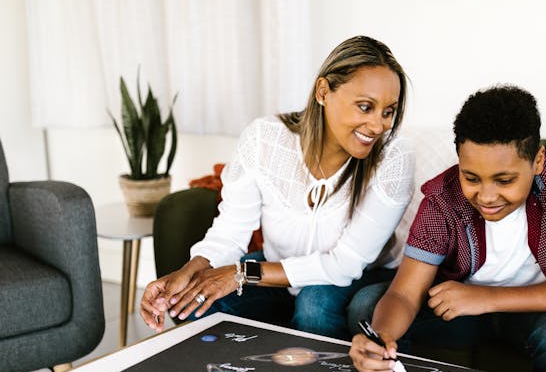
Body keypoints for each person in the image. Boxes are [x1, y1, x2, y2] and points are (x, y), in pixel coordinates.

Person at [140, 35, 414, 340]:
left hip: (358, 275)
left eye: (388, 112)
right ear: (323, 92)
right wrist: (189, 271)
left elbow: (344, 265)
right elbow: (231, 230)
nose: (378, 125)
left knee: (314, 305)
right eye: (365, 107)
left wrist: (241, 274)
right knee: (194, 299)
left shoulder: (394, 158)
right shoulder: (265, 139)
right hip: (278, 269)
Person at [348, 84, 546, 372]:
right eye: (471, 177)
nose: (487, 196)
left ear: (538, 161)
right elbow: (403, 294)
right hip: (463, 314)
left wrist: (487, 297)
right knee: (369, 306)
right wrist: (382, 338)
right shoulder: (443, 198)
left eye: (504, 180)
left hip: (537, 313)